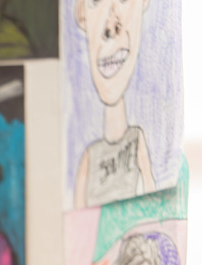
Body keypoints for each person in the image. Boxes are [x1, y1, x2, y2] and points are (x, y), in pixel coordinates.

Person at [73, 0, 156, 208]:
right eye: (95, 2)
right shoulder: (89, 158)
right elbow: (78, 224)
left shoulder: (137, 140)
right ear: (82, 16)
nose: (111, 27)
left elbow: (154, 205)